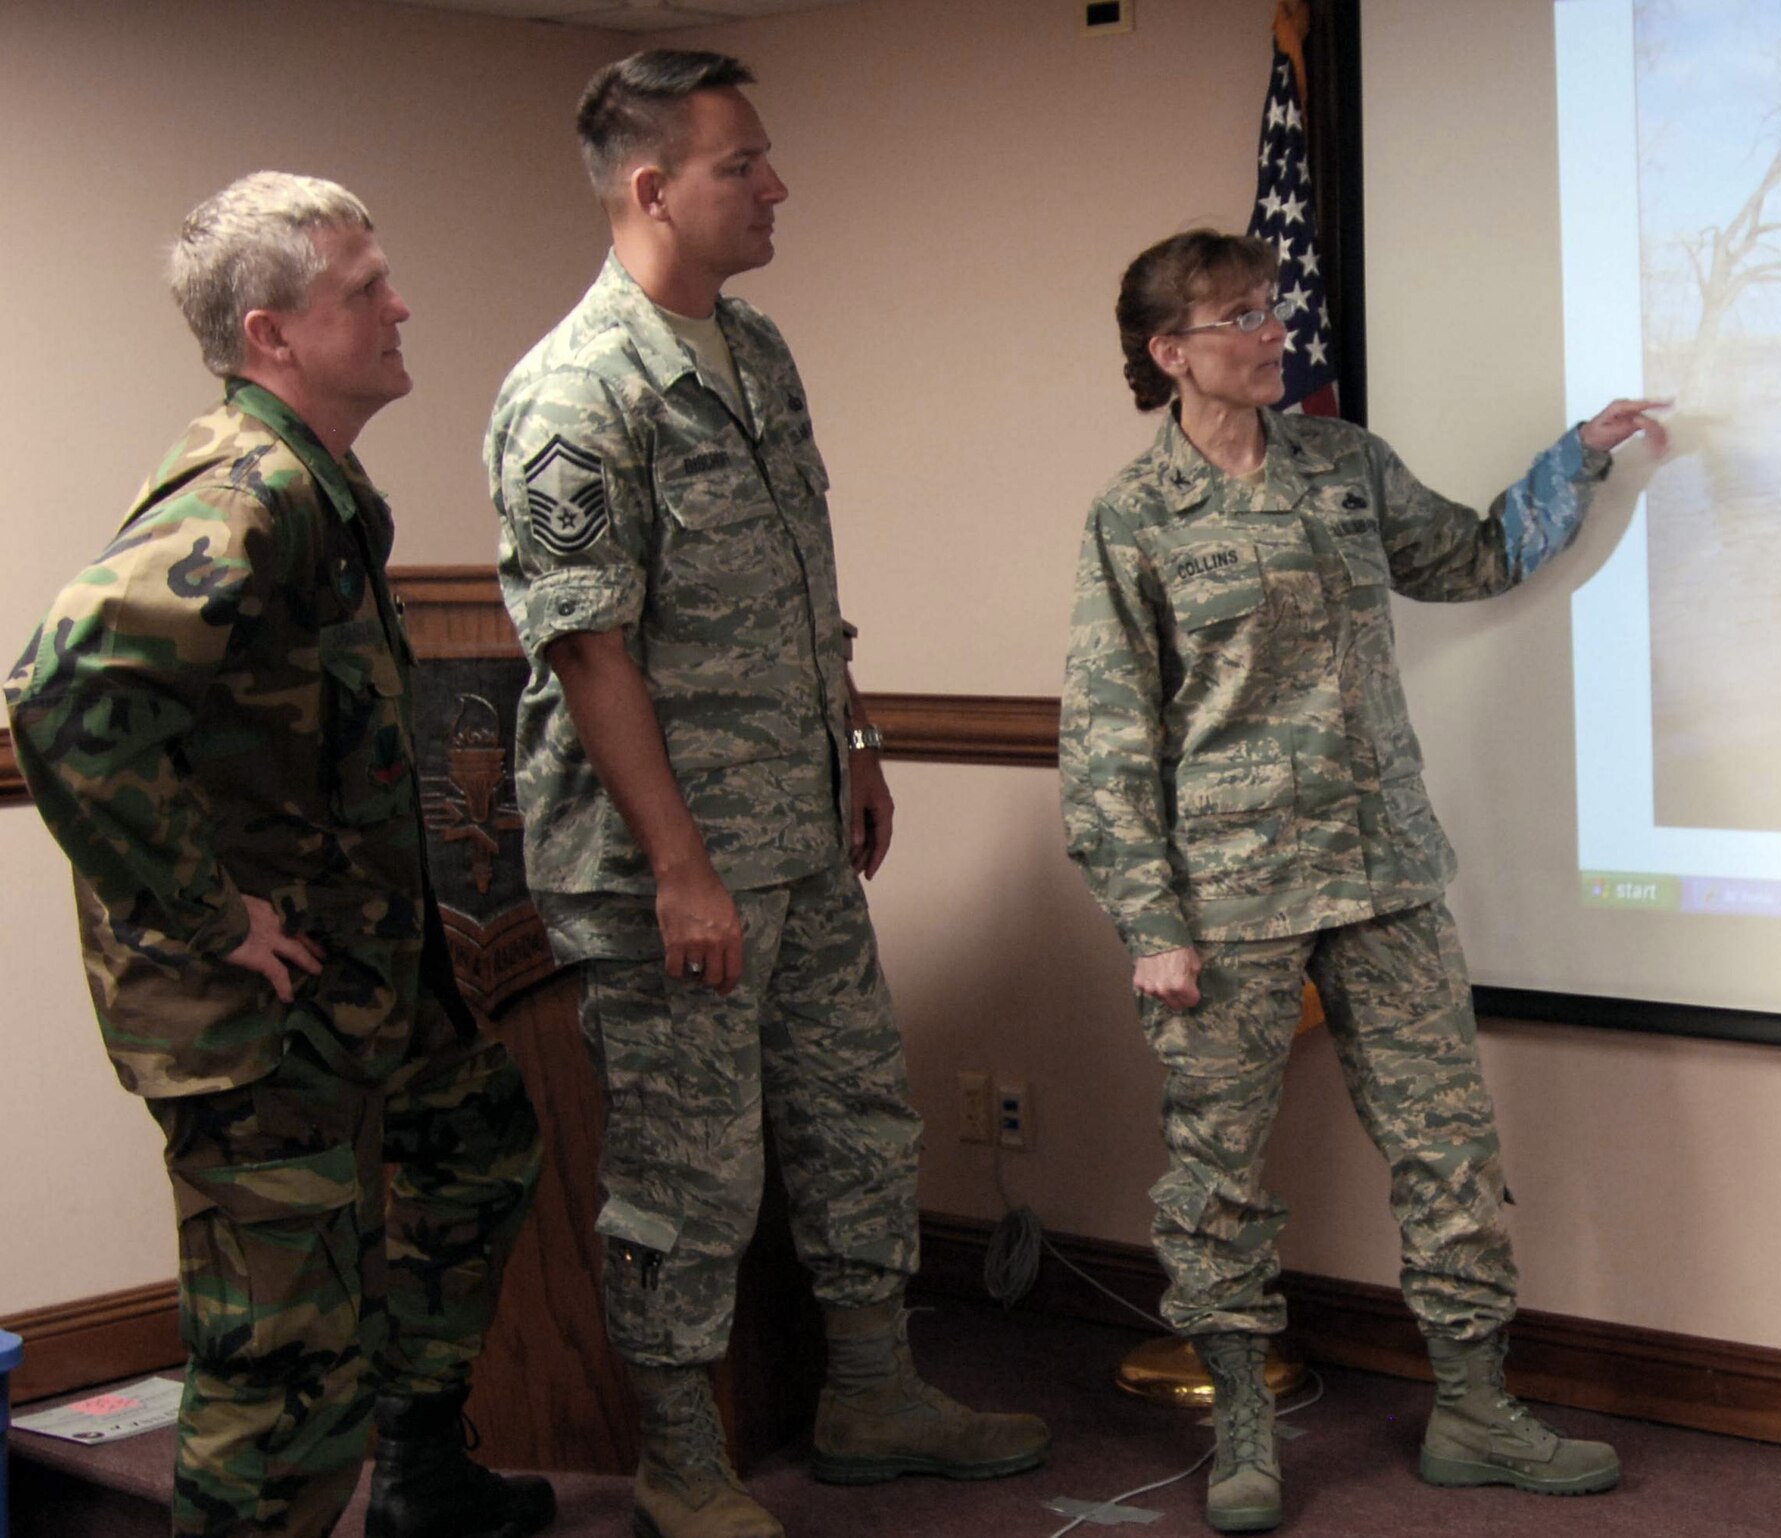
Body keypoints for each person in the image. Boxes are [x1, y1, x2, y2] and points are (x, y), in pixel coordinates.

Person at [486, 49, 1049, 1538]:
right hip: (670, 865)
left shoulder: (758, 349)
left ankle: (871, 1393)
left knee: (859, 1116)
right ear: (652, 186)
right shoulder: (573, 390)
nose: (778, 185)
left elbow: (805, 583)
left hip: (796, 827)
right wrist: (679, 864)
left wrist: (853, 741)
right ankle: (679, 1456)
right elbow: (589, 648)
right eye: (745, 164)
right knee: (686, 1166)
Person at [1059, 229, 1666, 1534]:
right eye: (1240, 315)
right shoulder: (1134, 517)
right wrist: (1150, 920)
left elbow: (1473, 555)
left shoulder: (1345, 465)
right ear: (1172, 353)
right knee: (1215, 1174)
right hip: (1226, 903)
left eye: (1271, 307)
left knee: (1450, 1147)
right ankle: (1240, 1427)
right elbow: (1107, 739)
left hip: (1384, 871)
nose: (1274, 330)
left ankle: (1471, 1409)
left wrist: (1581, 456)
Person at [3, 173, 553, 1538]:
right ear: (272, 335)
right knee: (282, 1358)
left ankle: (420, 1467)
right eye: (363, 289)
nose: (399, 302)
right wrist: (204, 913)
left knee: (476, 1142)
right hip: (257, 1014)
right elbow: (62, 697)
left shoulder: (317, 481)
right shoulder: (246, 485)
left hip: (360, 973)